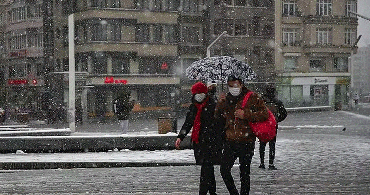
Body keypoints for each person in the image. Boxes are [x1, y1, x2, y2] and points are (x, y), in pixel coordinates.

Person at [215, 76, 269, 195]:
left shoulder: (252, 97)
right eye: (230, 86)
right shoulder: (227, 98)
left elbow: (264, 114)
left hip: (247, 140)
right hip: (231, 140)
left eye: (234, 85)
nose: (232, 88)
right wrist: (220, 103)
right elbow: (218, 117)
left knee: (244, 173)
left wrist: (246, 114)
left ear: (241, 84)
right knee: (224, 170)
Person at [175, 82, 222, 195]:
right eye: (196, 93)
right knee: (207, 167)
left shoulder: (213, 104)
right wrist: (180, 137)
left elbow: (219, 123)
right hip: (199, 141)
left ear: (205, 93)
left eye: (201, 93)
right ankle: (212, 191)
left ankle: (203, 192)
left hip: (211, 141)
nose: (199, 95)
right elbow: (188, 122)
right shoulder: (193, 107)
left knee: (206, 167)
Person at [259, 85, 287, 170]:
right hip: (272, 126)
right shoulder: (277, 102)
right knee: (272, 145)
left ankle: (262, 163)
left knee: (262, 144)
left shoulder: (261, 101)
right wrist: (277, 120)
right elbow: (284, 114)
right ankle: (271, 164)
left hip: (263, 126)